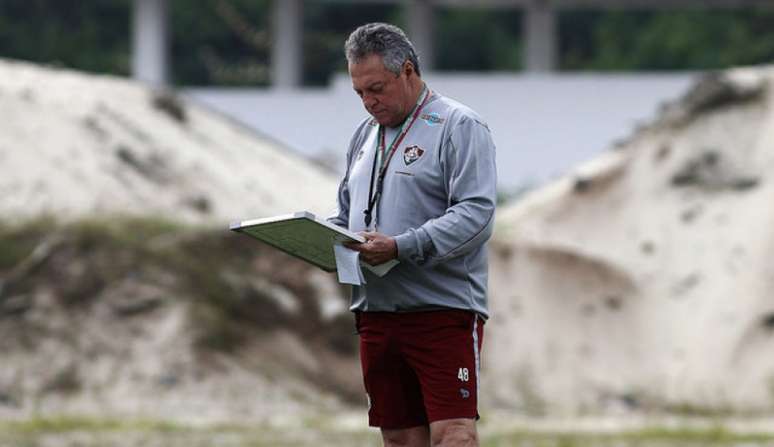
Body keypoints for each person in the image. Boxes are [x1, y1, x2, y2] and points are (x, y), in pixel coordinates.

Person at [328, 22, 497, 447]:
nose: (368, 102)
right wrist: (315, 236)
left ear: (407, 71)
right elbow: (348, 215)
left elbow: (477, 214)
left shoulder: (459, 125)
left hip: (441, 309)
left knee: (453, 435)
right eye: (359, 93)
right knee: (400, 438)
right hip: (376, 311)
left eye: (377, 88)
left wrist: (403, 246)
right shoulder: (363, 137)